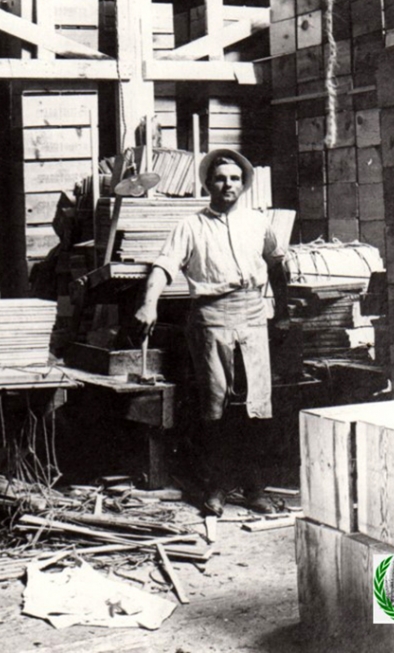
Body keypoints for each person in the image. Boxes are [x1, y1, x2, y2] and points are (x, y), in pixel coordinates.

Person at [131, 148, 288, 517]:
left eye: (234, 178)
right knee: (213, 408)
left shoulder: (258, 222)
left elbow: (279, 263)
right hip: (210, 318)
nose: (227, 184)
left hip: (252, 316)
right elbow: (163, 267)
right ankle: (215, 488)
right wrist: (148, 303)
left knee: (256, 406)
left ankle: (254, 488)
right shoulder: (190, 226)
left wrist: (282, 308)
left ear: (244, 184)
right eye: (220, 178)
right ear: (208, 183)